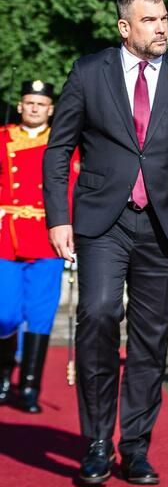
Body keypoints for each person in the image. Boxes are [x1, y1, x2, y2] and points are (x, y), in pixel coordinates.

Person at [43, 0, 168, 486]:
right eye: (150, 20)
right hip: (103, 222)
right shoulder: (88, 72)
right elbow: (58, 150)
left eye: (165, 18)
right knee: (98, 315)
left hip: (165, 225)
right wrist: (58, 218)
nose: (162, 27)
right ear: (125, 27)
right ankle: (98, 441)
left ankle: (136, 447)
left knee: (150, 340)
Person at [0, 80, 78, 413]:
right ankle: (4, 375)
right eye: (28, 103)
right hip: (6, 235)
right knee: (5, 313)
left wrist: (74, 233)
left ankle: (30, 386)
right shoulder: (3, 138)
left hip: (48, 237)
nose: (34, 108)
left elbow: (73, 189)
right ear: (20, 106)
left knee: (41, 315)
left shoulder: (63, 143)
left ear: (52, 109)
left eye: (40, 104)